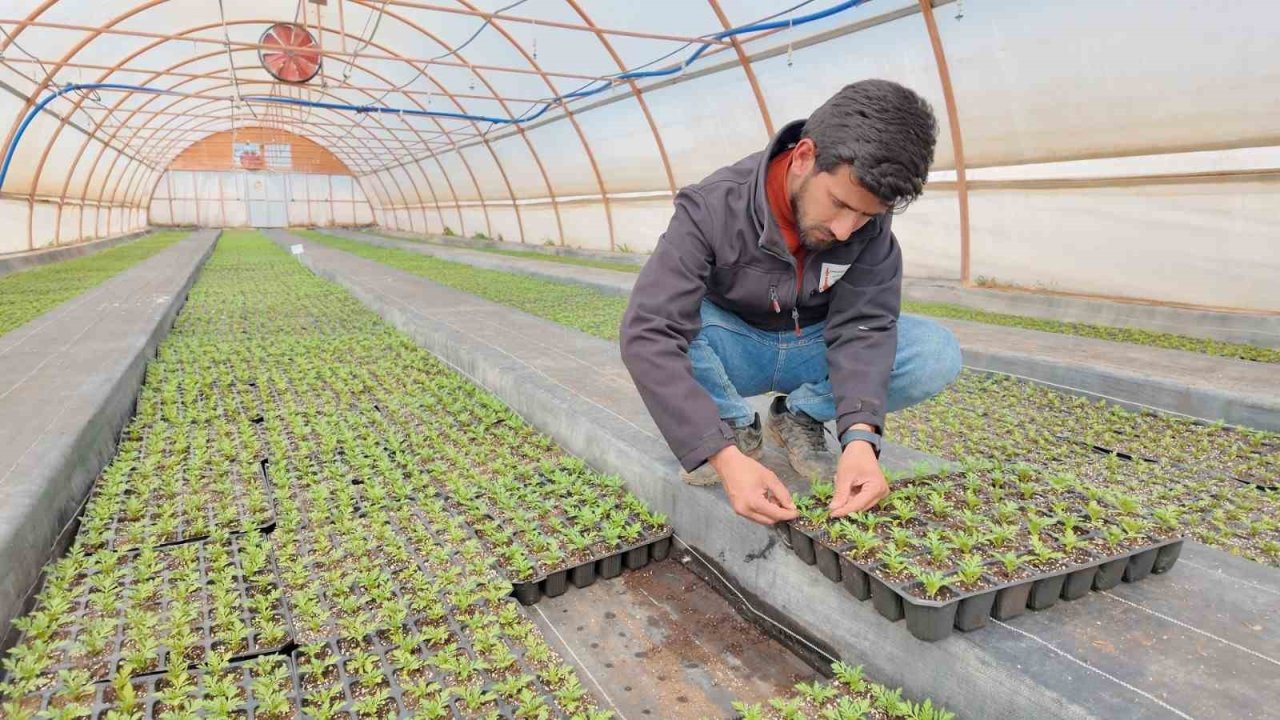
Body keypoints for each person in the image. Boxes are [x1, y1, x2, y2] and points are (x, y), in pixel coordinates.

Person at [620, 79, 962, 526]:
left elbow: (865, 326)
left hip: (812, 347)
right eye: (839, 203)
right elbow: (649, 330)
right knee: (670, 321)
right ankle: (732, 427)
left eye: (866, 215)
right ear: (804, 157)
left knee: (933, 351)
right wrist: (721, 455)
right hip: (733, 346)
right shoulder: (712, 206)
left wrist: (861, 440)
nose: (845, 230)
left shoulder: (869, 229)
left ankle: (800, 415)